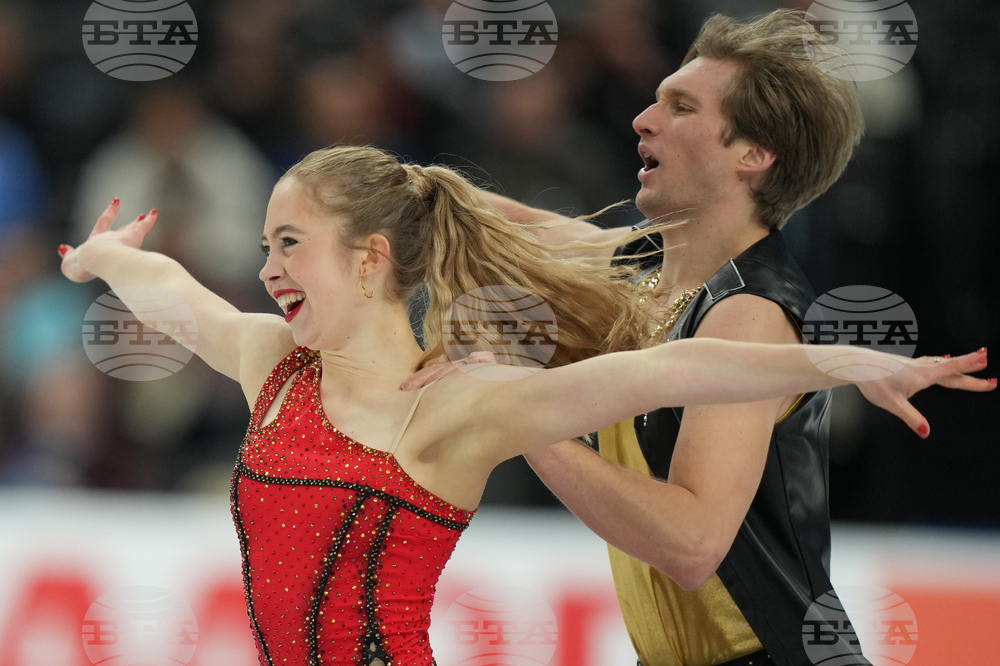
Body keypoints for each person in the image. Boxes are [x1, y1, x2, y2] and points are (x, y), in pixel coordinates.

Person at [57, 145, 992, 666]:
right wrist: (97, 258)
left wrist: (845, 364)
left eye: (291, 243)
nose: (267, 269)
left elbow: (669, 373)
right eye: (266, 244)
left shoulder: (463, 409)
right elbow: (170, 288)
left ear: (372, 256)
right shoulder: (271, 360)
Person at [405, 9, 976, 666]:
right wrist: (405, 190)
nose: (643, 120)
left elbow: (692, 544)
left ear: (754, 156)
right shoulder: (651, 268)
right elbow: (534, 233)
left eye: (680, 108)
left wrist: (519, 413)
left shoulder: (750, 311)